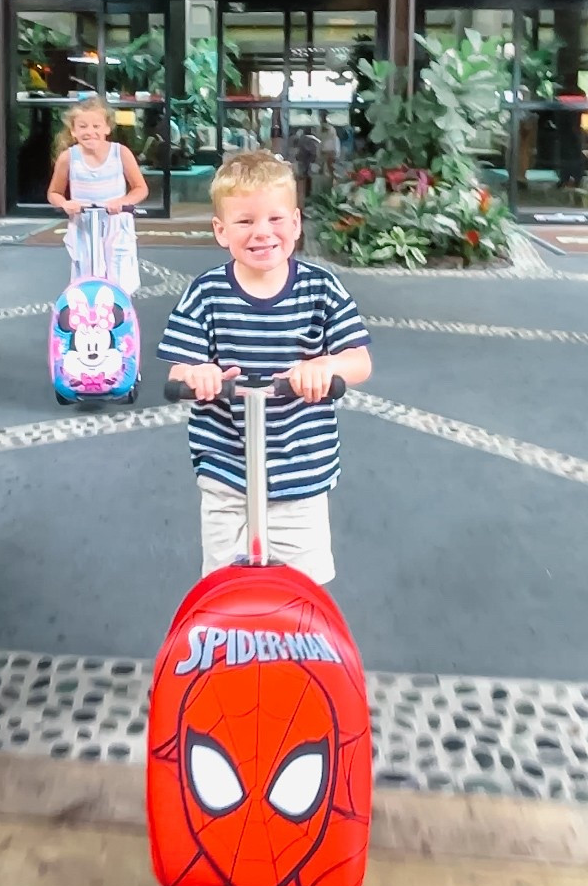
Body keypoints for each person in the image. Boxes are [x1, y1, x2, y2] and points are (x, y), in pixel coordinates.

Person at [158, 150, 372, 584]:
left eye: (275, 219)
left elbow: (359, 361)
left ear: (295, 223)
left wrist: (324, 366)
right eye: (244, 221)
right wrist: (199, 374)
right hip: (226, 469)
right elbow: (179, 371)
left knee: (302, 590)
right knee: (224, 587)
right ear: (221, 230)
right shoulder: (205, 294)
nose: (262, 232)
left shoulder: (321, 289)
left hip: (300, 467)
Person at [47, 95, 148, 295]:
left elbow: (140, 188)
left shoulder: (120, 153)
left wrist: (122, 202)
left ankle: (119, 310)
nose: (90, 132)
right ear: (73, 131)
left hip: (116, 225)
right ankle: (88, 311)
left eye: (96, 126)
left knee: (119, 276)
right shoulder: (69, 158)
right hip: (84, 226)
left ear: (107, 128)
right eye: (83, 127)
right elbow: (54, 193)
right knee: (86, 277)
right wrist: (66, 204)